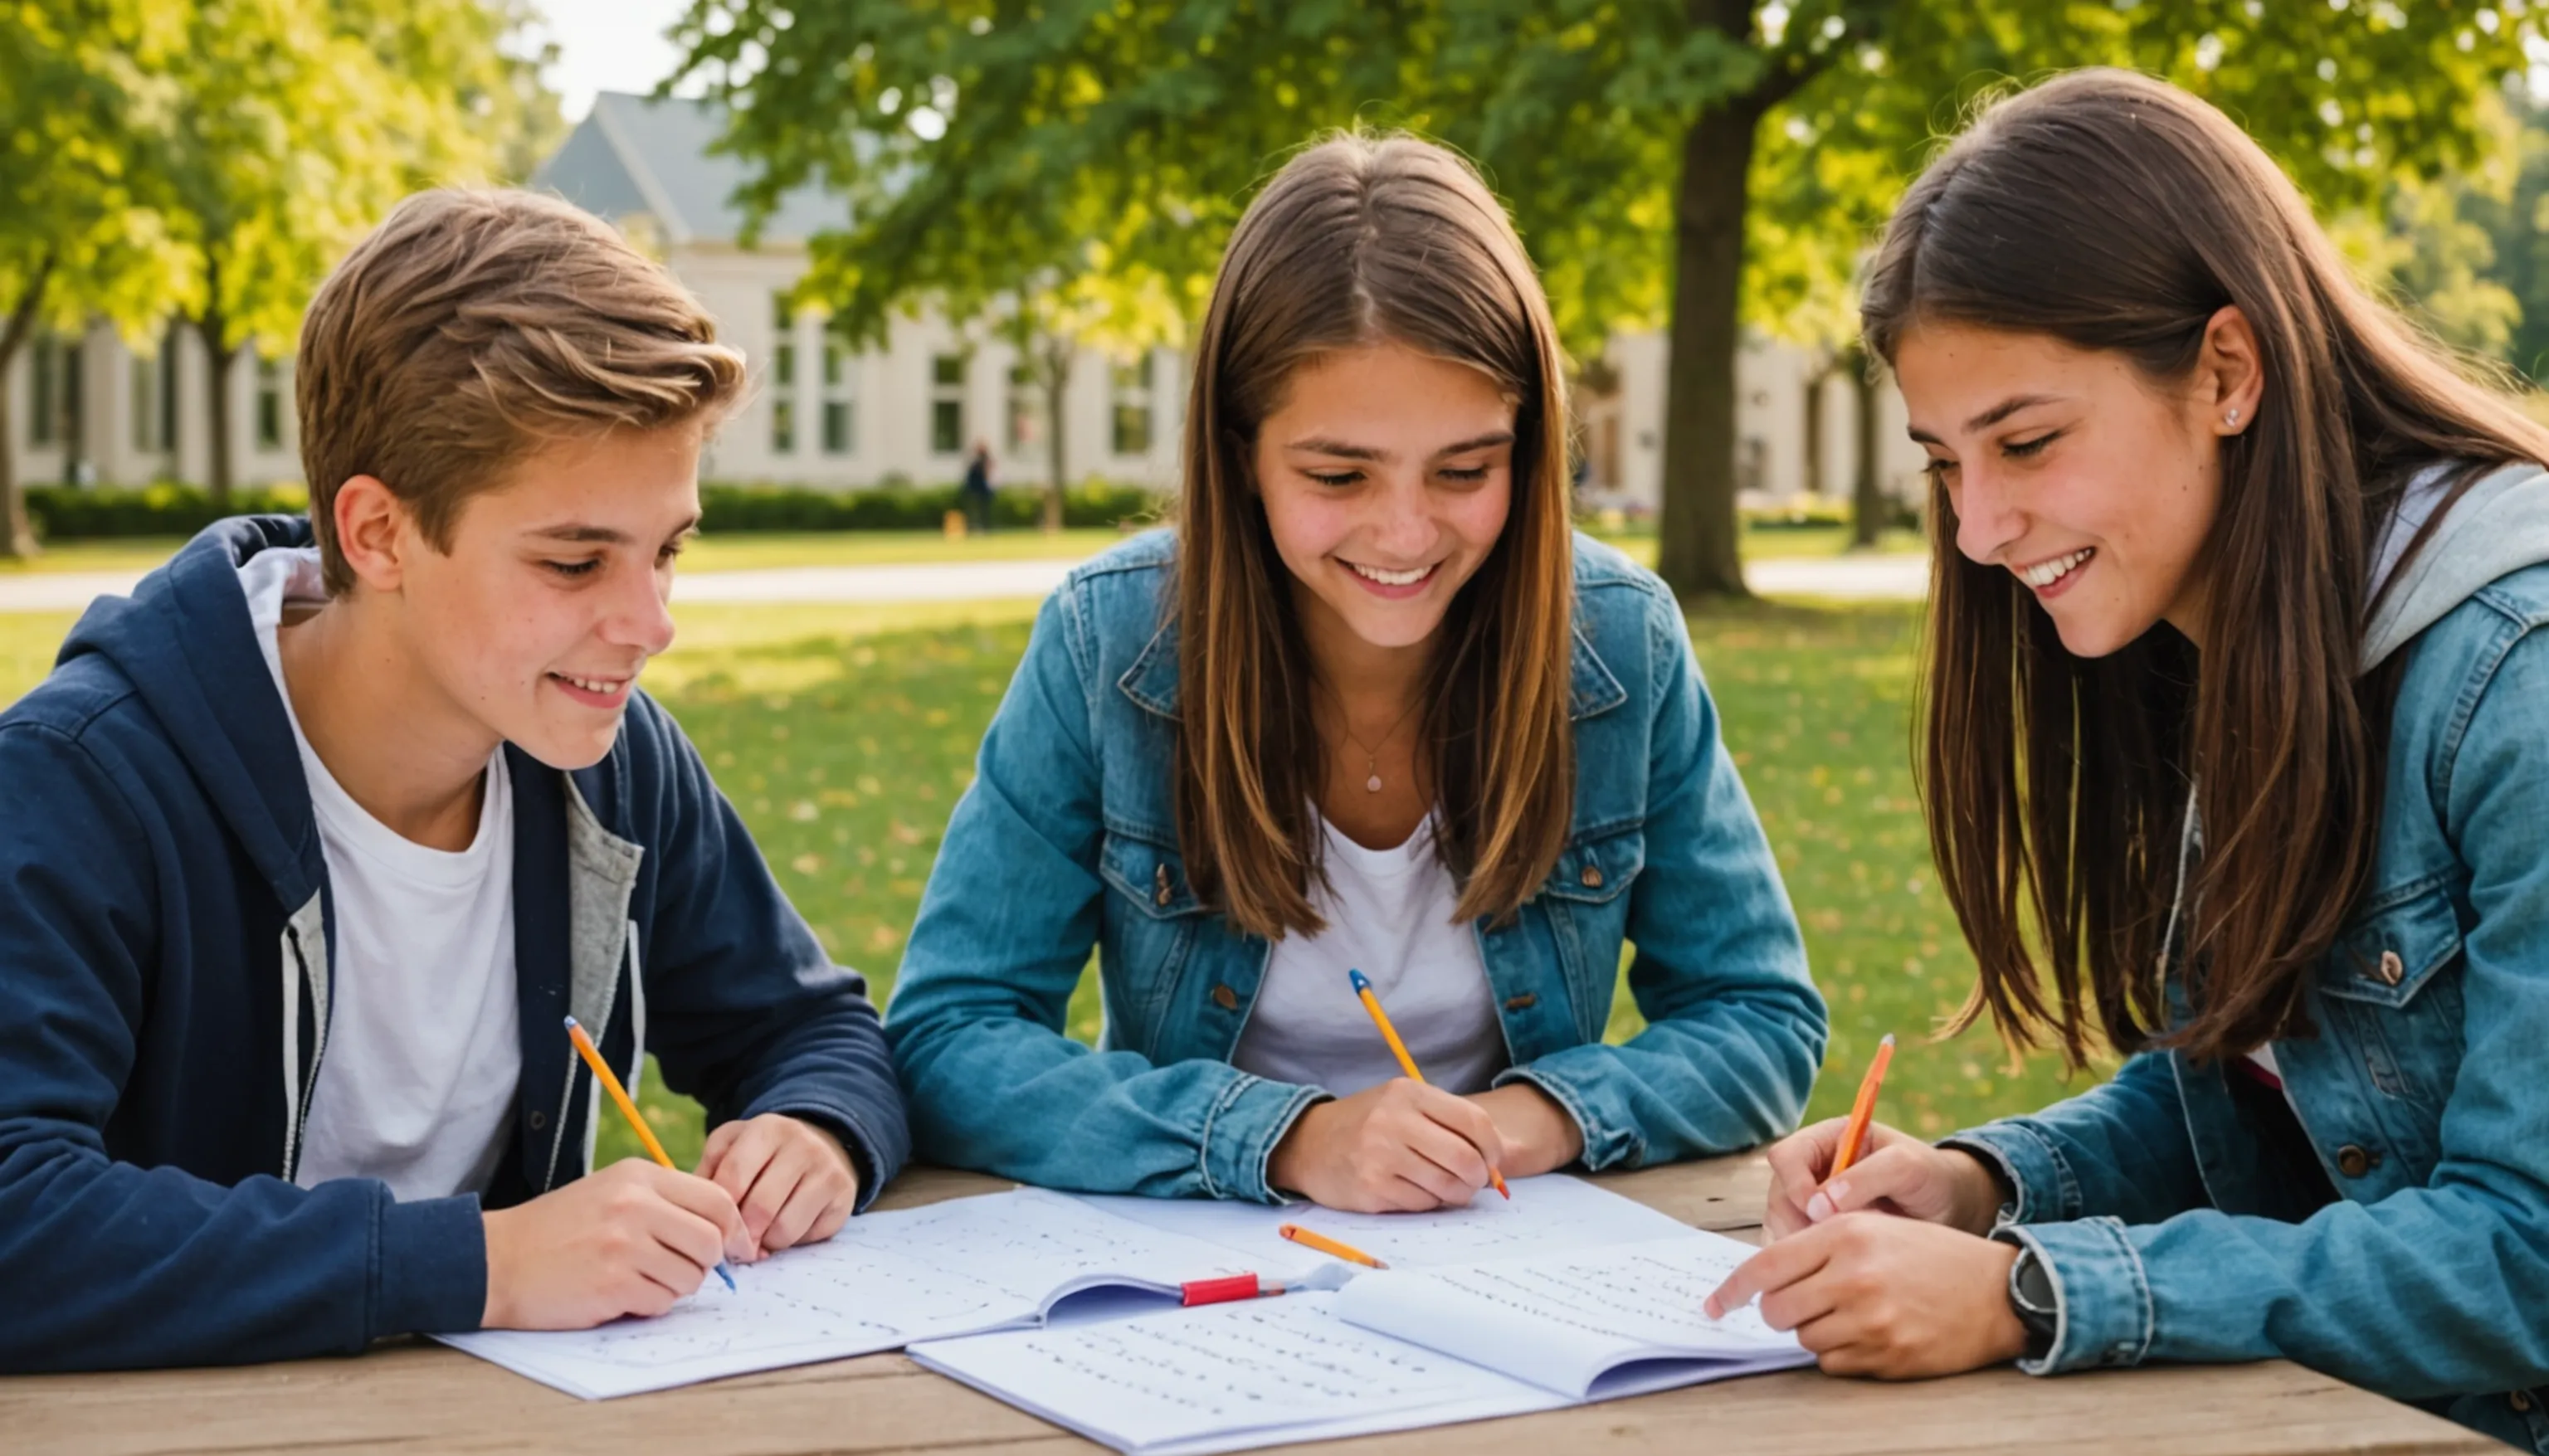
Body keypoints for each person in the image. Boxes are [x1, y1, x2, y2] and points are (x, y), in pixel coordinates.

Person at [1703, 70, 2549, 1451]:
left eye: (2026, 441)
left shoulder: (2515, 675)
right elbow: (2263, 1094)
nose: (1978, 529)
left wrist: (2032, 1299)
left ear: (2224, 371)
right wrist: (1982, 1186)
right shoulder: (2245, 626)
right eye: (1942, 464)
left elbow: (2527, 1258)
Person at [0, 189, 910, 1371]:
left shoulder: (613, 759)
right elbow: (18, 1208)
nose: (651, 623)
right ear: (378, 534)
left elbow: (814, 1026)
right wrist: (484, 1261)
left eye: (669, 549)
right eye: (575, 558)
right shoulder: (87, 781)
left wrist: (817, 1127)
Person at [885, 134, 1824, 1213]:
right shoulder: (1110, 643)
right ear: (1241, 451)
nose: (1407, 530)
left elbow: (1758, 1015)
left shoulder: (1617, 641)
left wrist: (1529, 1120)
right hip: (1204, 1269)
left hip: (1508, 1255)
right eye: (1339, 473)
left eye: (1465, 469)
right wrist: (1285, 1139)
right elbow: (950, 1035)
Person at [961, 440, 996, 534]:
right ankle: (974, 527)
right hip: (975, 488)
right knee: (974, 510)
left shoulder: (985, 460)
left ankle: (984, 528)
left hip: (981, 488)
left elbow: (988, 473)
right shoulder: (975, 460)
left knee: (983, 510)